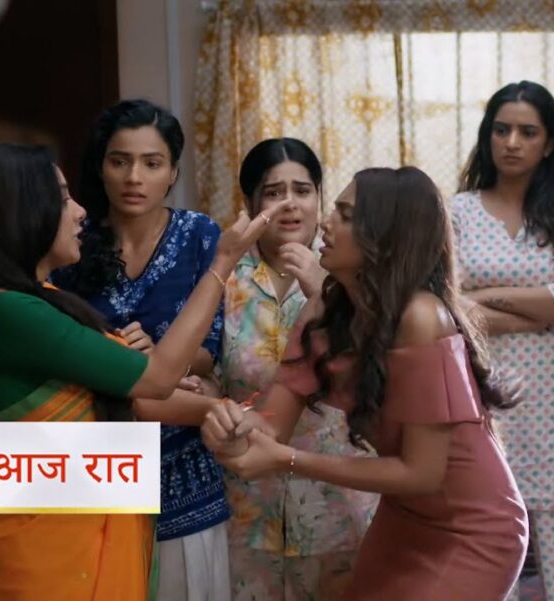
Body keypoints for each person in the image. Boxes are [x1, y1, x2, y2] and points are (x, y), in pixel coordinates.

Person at [0, 142, 285, 600]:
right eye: (63, 198)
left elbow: (133, 396)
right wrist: (223, 261)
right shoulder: (8, 313)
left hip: (50, 534)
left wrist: (221, 409)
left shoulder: (34, 301)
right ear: (22, 211)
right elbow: (157, 379)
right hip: (25, 562)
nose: (80, 211)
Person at [203, 167, 528, 600]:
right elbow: (271, 424)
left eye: (346, 214)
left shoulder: (422, 317)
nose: (325, 222)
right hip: (404, 516)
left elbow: (422, 473)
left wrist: (288, 460)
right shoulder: (323, 312)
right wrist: (233, 426)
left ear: (385, 236)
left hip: (475, 529)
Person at [51, 99, 232, 599]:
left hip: (185, 467)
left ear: (173, 172)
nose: (135, 177)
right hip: (98, 464)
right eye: (120, 161)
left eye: (152, 163)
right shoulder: (71, 240)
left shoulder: (200, 235)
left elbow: (211, 347)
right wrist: (117, 356)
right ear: (100, 166)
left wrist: (162, 355)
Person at [451, 80, 554, 600]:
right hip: (484, 397)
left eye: (527, 132)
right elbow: (449, 306)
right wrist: (543, 306)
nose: (512, 142)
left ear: (549, 143)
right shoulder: (457, 211)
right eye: (501, 130)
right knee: (489, 551)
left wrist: (486, 294)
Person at [219, 138, 377, 600]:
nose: (290, 204)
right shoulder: (225, 279)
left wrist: (324, 289)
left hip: (338, 498)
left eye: (303, 191)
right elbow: (210, 365)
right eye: (274, 192)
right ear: (251, 203)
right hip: (249, 505)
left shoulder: (355, 277)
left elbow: (381, 372)